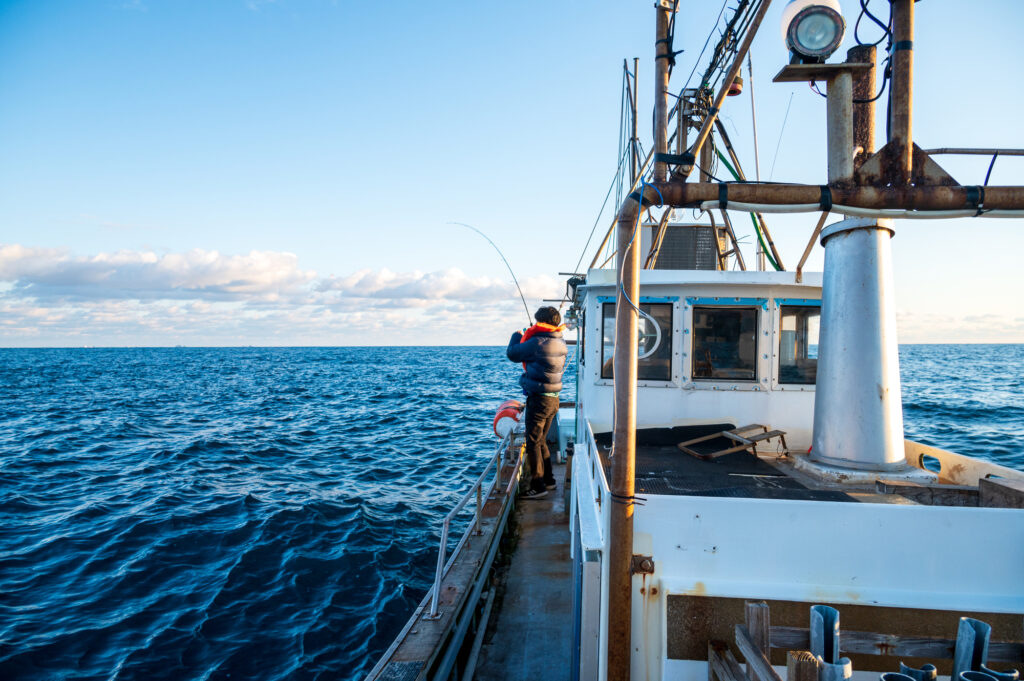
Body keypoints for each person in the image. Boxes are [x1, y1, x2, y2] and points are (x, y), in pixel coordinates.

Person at [506, 306, 568, 499]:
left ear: (542, 322)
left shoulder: (537, 342)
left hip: (539, 399)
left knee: (532, 442)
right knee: (541, 441)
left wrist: (516, 335)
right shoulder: (560, 341)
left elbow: (513, 353)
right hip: (553, 400)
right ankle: (548, 480)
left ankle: (538, 486)